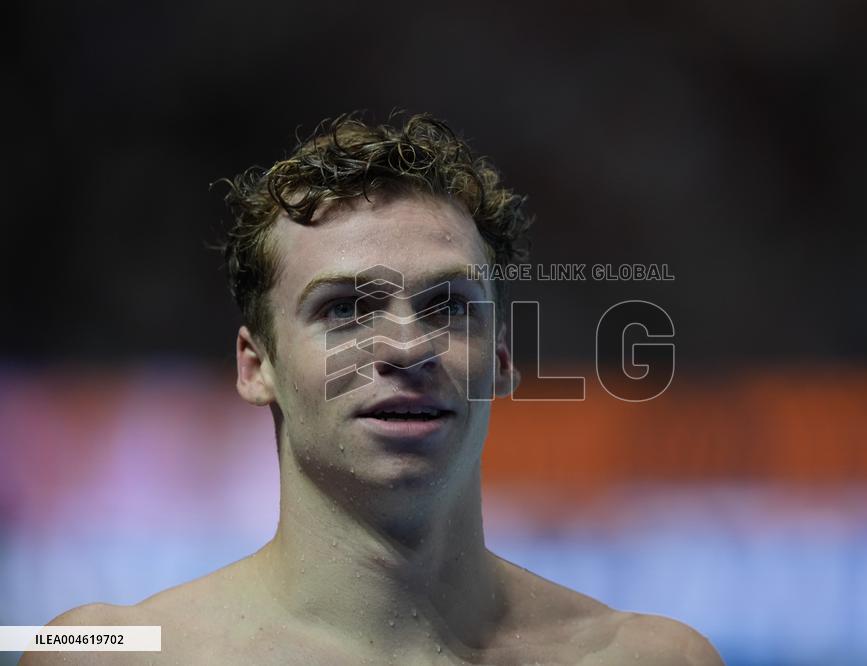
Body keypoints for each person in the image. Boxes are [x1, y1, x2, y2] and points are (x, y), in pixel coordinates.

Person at [26, 113, 723, 665]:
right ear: (254, 366)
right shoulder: (100, 655)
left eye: (448, 305)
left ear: (503, 358)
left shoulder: (657, 659)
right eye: (343, 310)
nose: (406, 348)